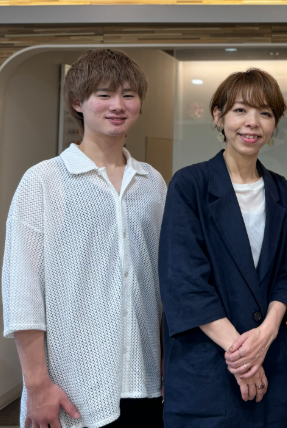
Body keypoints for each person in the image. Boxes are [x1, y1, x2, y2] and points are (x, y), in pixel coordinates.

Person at [2, 49, 167, 428]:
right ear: (78, 102)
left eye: (128, 95)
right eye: (104, 94)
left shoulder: (152, 183)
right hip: (69, 386)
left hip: (145, 383)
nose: (118, 105)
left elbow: (162, 283)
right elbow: (22, 290)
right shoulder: (43, 180)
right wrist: (37, 384)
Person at [158, 68, 287, 428]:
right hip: (209, 370)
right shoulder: (189, 185)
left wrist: (265, 336)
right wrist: (244, 358)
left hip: (271, 363)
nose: (252, 122)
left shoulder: (282, 191)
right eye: (240, 110)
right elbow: (186, 283)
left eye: (265, 113)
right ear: (218, 116)